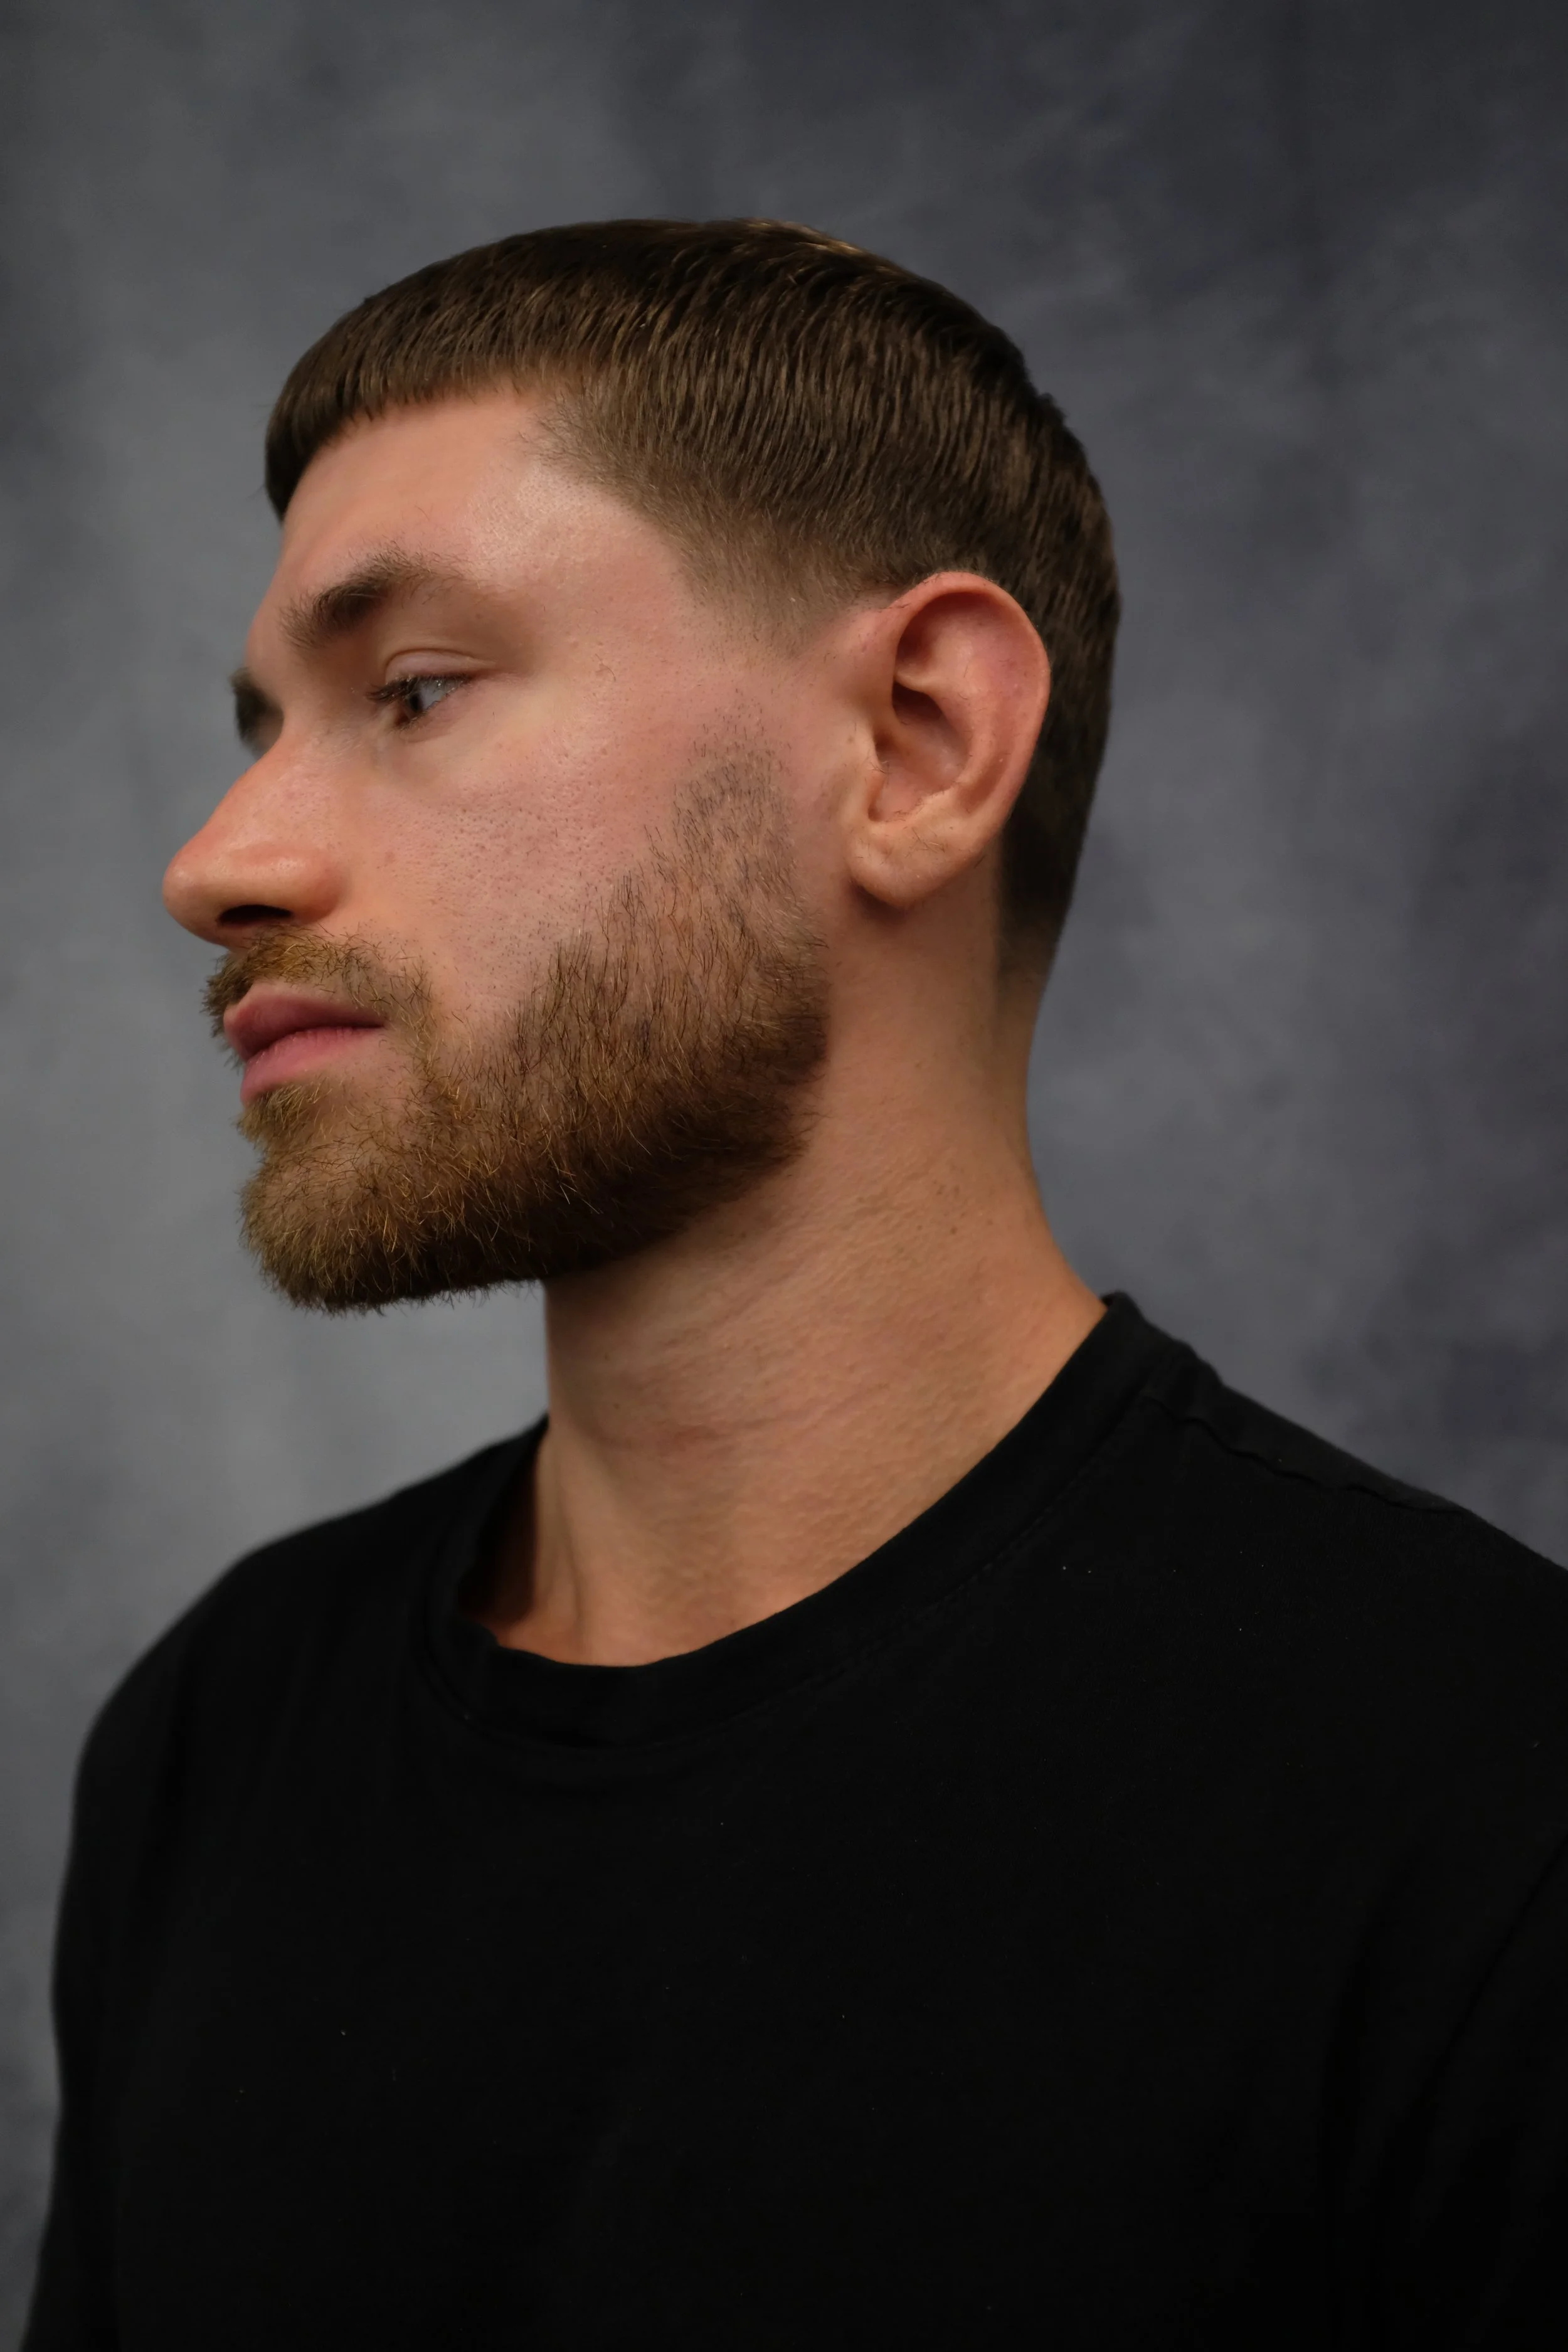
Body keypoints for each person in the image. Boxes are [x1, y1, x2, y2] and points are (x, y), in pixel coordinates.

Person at [24, 218, 1568, 2351]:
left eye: (413, 690)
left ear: (919, 742)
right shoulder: (216, 1735)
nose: (221, 858)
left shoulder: (1477, 1797)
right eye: (263, 722)